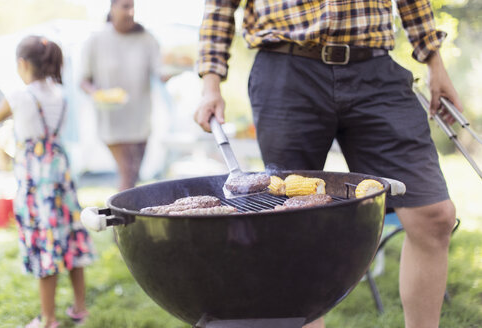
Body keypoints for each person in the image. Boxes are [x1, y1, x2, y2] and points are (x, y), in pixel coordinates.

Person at [194, 1, 461, 327]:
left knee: (434, 216)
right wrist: (210, 83)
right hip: (287, 70)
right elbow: (220, 5)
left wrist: (436, 63)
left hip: (376, 72)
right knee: (293, 229)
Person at [0, 36, 95, 328]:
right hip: (60, 172)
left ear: (22, 64)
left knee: (45, 241)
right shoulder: (60, 93)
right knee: (71, 237)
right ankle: (80, 308)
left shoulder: (19, 96)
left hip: (36, 180)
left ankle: (48, 319)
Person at [80, 0, 164, 191]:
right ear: (113, 8)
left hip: (140, 121)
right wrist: (98, 94)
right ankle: (123, 217)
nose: (131, 12)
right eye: (125, 6)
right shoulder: (96, 40)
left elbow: (161, 73)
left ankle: (126, 216)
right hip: (112, 121)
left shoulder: (147, 39)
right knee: (128, 173)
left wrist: (178, 66)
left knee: (132, 176)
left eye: (133, 6)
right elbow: (83, 80)